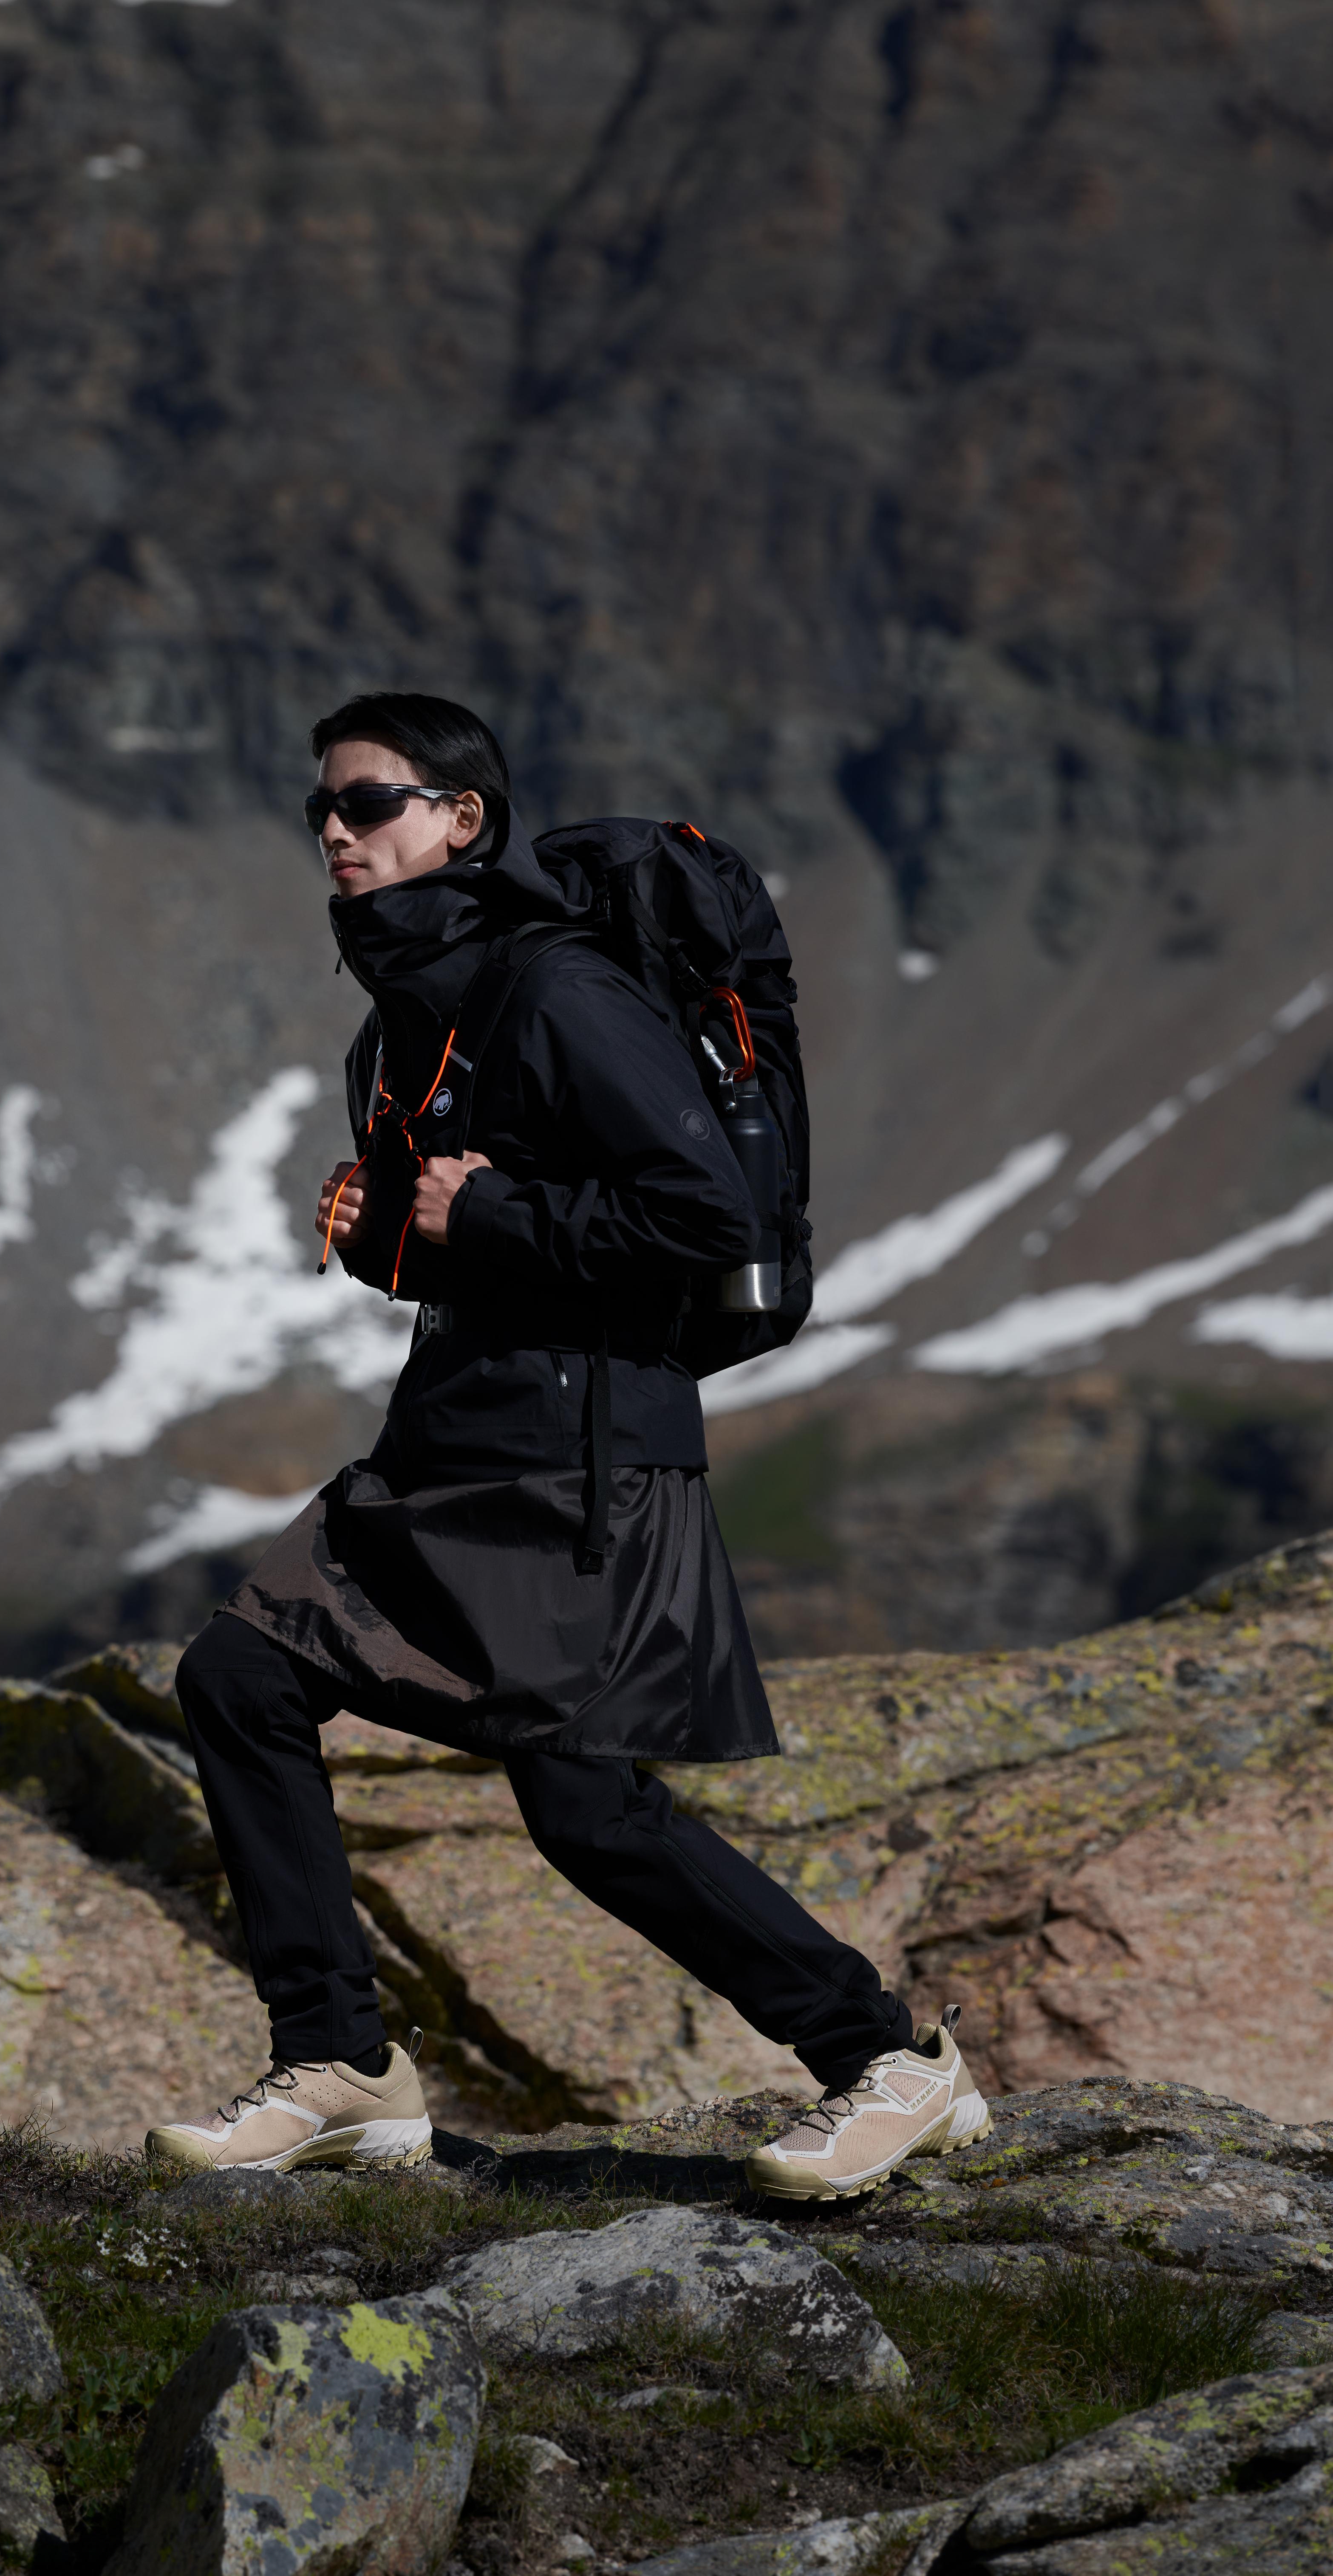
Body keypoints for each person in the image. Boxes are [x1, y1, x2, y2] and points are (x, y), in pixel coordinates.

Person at [149, 692, 989, 2200]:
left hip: (583, 1462)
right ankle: (340, 2060)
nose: (337, 834)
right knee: (239, 1673)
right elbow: (482, 1229)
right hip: (464, 1434)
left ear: (463, 820)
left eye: (371, 804)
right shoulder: (423, 1007)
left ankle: (886, 2062)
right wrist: (394, 1245)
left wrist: (485, 1216)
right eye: (323, 812)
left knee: (588, 1811)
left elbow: (702, 1221)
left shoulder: (559, 990)